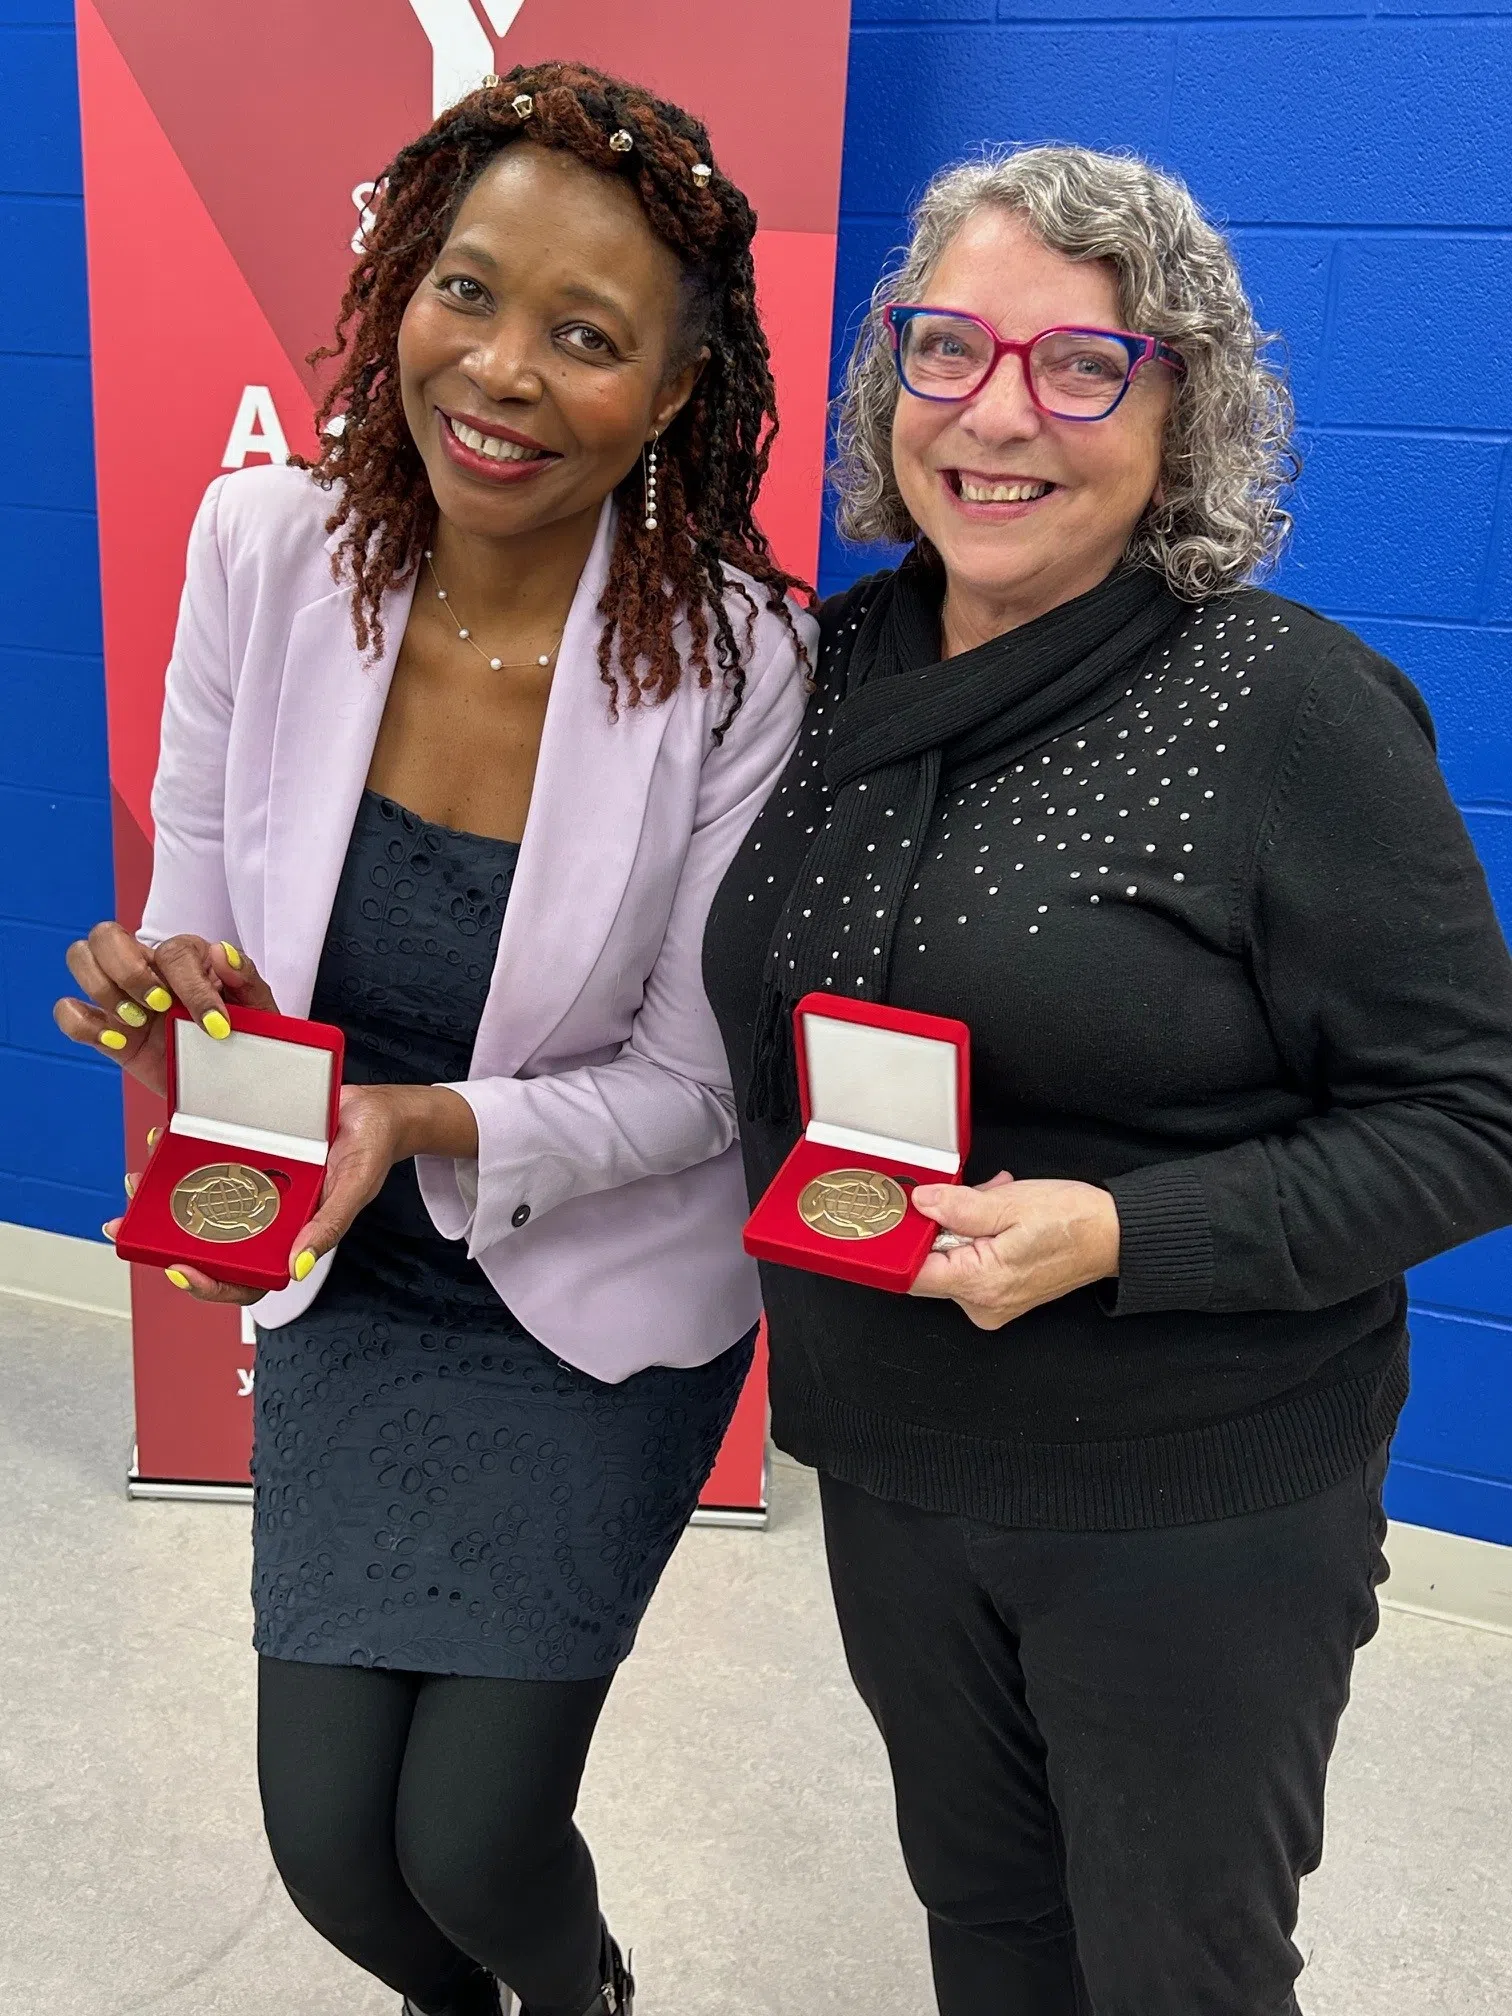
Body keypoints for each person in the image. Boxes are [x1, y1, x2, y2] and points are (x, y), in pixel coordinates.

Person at [703, 143, 1512, 2015]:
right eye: (947, 349)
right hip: (893, 1462)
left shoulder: (1286, 704)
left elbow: (1471, 1116)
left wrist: (1123, 1231)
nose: (999, 415)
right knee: (988, 1931)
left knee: (1178, 1973)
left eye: (1083, 367)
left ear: (1182, 418)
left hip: (1192, 1497)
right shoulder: (814, 678)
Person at [55, 63, 813, 2016]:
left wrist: (424, 1118)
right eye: (464, 291)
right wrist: (167, 991)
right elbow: (212, 911)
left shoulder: (740, 663)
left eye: (586, 336)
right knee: (333, 1853)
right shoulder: (264, 556)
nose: (498, 370)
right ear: (397, 284)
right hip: (349, 1281)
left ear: (669, 390)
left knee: (475, 1835)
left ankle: (581, 2003)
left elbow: (697, 1087)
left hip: (590, 1301)